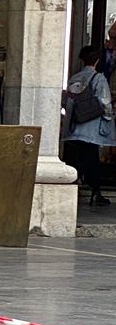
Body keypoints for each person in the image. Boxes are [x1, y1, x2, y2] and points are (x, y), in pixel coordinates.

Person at [63, 42, 113, 207]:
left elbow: (66, 102)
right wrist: (108, 118)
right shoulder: (98, 78)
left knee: (78, 158)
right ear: (97, 61)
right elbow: (105, 101)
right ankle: (95, 191)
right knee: (92, 158)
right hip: (91, 127)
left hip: (74, 126)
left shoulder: (73, 78)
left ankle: (78, 185)